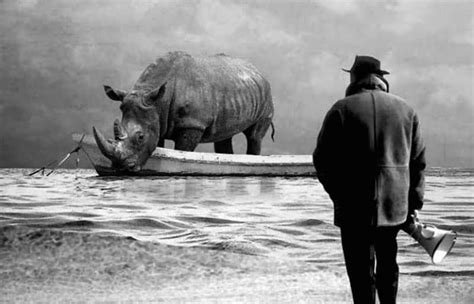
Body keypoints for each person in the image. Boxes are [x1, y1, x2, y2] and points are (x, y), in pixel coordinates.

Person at [313, 55, 426, 304]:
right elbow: (417, 163)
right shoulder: (407, 111)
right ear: (381, 79)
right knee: (388, 268)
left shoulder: (341, 109)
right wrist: (413, 204)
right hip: (394, 208)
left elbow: (322, 161)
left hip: (353, 208)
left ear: (355, 78)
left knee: (360, 273)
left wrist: (339, 195)